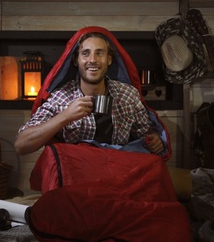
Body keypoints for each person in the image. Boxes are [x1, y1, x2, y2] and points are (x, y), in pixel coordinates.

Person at [14, 31, 165, 156]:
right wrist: (65, 116)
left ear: (109, 59)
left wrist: (154, 138)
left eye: (100, 53)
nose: (93, 60)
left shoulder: (127, 94)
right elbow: (21, 145)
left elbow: (146, 132)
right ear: (75, 60)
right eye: (86, 53)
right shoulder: (61, 97)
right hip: (77, 175)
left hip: (117, 172)